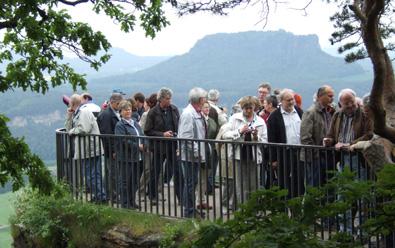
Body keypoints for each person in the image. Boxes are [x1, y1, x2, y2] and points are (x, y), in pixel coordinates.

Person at [324, 88, 373, 234]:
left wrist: (350, 144)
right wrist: (329, 141)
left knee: (362, 196)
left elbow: (369, 134)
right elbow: (332, 134)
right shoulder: (338, 115)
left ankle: (363, 232)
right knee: (343, 196)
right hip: (343, 160)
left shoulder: (364, 114)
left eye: (352, 102)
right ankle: (345, 231)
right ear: (341, 104)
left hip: (360, 159)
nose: (351, 106)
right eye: (347, 104)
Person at [223, 96, 268, 205]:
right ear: (242, 108)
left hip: (254, 156)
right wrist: (239, 131)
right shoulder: (235, 118)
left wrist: (256, 137)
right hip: (239, 155)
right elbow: (225, 135)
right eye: (245, 108)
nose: (248, 111)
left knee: (254, 184)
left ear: (255, 108)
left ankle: (253, 209)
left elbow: (265, 142)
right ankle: (242, 209)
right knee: (240, 184)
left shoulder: (260, 121)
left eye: (250, 108)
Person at [65, 94, 106, 202]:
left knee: (91, 175)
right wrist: (69, 116)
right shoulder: (77, 113)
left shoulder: (84, 112)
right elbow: (68, 128)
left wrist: (72, 131)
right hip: (87, 149)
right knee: (92, 174)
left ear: (72, 103)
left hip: (90, 149)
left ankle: (100, 197)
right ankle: (99, 196)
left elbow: (84, 129)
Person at [144, 87, 181, 205]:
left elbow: (179, 126)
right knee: (156, 172)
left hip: (172, 146)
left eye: (170, 98)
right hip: (159, 147)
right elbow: (147, 131)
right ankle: (152, 195)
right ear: (161, 99)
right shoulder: (153, 112)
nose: (169, 101)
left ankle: (181, 197)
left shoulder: (174, 110)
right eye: (167, 98)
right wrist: (162, 134)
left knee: (178, 172)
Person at [267, 89, 304, 198]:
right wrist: (273, 159)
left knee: (299, 179)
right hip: (283, 153)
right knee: (283, 180)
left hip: (299, 151)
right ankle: (283, 205)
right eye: (288, 100)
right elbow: (272, 139)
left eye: (292, 99)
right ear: (281, 101)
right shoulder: (274, 117)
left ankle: (297, 203)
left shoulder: (299, 111)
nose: (291, 102)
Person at [177, 87, 207, 218]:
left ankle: (191, 209)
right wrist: (197, 152)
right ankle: (188, 212)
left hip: (194, 154)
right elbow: (187, 137)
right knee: (190, 183)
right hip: (190, 156)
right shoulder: (189, 114)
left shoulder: (196, 112)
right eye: (204, 98)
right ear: (200, 100)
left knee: (192, 183)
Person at [300, 85, 336, 187]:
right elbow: (305, 138)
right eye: (329, 96)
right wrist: (317, 153)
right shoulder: (310, 113)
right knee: (314, 185)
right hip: (315, 156)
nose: (332, 98)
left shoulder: (330, 111)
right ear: (320, 96)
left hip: (328, 154)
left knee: (328, 185)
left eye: (333, 96)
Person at [114, 100, 144, 209]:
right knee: (126, 181)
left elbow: (142, 135)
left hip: (138, 157)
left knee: (135, 181)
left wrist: (145, 144)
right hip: (126, 157)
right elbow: (123, 140)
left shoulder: (135, 123)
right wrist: (138, 146)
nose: (128, 111)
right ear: (121, 112)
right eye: (125, 110)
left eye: (129, 109)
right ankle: (125, 203)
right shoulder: (120, 125)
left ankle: (132, 201)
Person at [97, 92, 123, 201]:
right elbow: (107, 134)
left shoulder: (111, 113)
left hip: (112, 148)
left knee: (110, 172)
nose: (120, 106)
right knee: (113, 172)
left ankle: (108, 193)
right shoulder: (106, 115)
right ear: (113, 103)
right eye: (119, 104)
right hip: (110, 149)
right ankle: (113, 195)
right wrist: (113, 150)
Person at [138, 93, 157, 197]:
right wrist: (144, 144)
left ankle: (154, 192)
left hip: (157, 146)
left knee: (157, 170)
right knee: (148, 169)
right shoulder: (146, 115)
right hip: (148, 145)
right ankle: (141, 192)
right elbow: (142, 130)